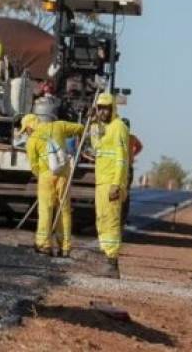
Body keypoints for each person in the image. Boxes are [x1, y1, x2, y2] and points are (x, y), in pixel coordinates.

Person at [24, 99, 85, 258]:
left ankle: (44, 245)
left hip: (46, 176)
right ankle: (65, 247)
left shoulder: (32, 140)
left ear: (31, 126)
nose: (26, 132)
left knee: (46, 210)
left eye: (26, 130)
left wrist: (42, 176)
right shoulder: (58, 126)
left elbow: (34, 165)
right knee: (64, 211)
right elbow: (80, 129)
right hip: (63, 176)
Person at [92, 92, 130, 278]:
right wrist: (94, 127)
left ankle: (112, 263)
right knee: (102, 220)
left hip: (112, 183)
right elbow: (95, 149)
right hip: (101, 182)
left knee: (112, 223)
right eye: (100, 108)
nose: (103, 111)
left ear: (113, 108)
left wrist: (117, 184)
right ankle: (107, 258)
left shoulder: (119, 127)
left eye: (106, 107)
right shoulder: (101, 128)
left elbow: (122, 159)